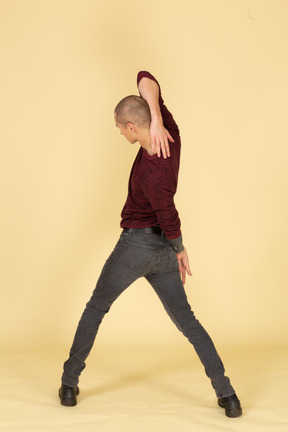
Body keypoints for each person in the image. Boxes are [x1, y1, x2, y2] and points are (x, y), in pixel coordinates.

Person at [59, 71, 242, 418]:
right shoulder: (169, 133)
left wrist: (181, 247)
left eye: (119, 128)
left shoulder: (152, 174)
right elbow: (145, 76)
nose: (119, 134)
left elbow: (168, 214)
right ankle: (227, 395)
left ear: (131, 127)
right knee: (189, 323)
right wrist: (157, 118)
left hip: (137, 247)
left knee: (96, 308)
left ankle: (69, 384)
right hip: (162, 251)